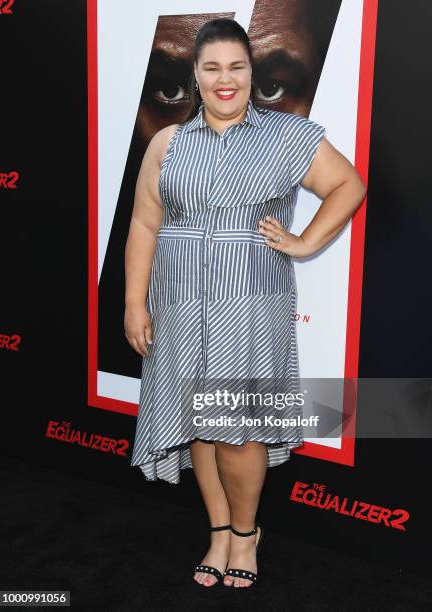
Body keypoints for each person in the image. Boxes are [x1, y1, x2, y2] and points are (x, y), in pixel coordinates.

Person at [125, 18, 366, 589]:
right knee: (202, 428)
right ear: (197, 77)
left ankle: (246, 533)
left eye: (236, 66)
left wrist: (305, 241)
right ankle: (217, 532)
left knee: (237, 427)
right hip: (180, 304)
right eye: (212, 68)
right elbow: (143, 222)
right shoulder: (168, 143)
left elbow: (348, 185)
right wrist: (135, 303)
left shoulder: (286, 136)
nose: (224, 79)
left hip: (250, 308)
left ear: (251, 73)